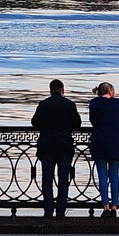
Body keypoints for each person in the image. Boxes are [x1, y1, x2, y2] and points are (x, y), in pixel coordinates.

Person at [31, 79, 81, 218]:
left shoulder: (43, 104)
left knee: (47, 178)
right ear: (62, 90)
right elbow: (77, 124)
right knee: (63, 179)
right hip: (65, 146)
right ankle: (60, 211)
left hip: (46, 146)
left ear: (50, 90)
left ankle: (48, 210)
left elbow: (35, 123)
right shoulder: (69, 104)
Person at [89, 81, 119, 217]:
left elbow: (93, 121)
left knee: (102, 176)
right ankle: (115, 206)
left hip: (99, 142)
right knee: (114, 175)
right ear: (110, 91)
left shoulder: (94, 103)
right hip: (115, 143)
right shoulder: (117, 103)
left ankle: (105, 207)